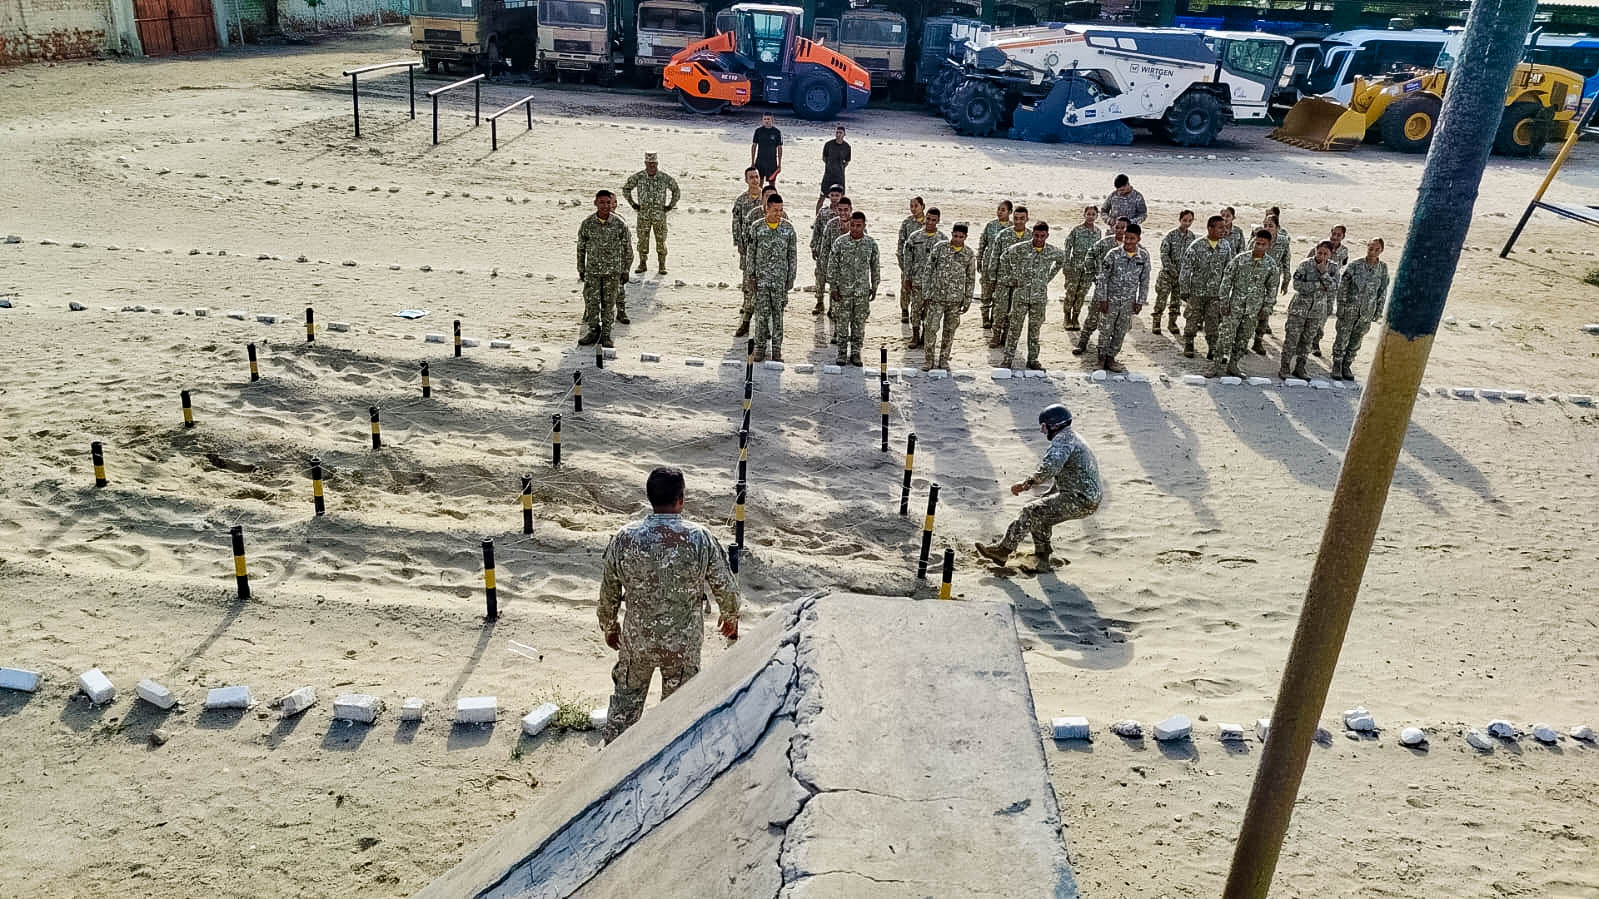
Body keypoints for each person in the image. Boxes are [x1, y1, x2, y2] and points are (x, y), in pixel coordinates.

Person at [598, 467, 740, 743]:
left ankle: (609, 764)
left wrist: (609, 625)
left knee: (624, 709)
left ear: (649, 498)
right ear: (681, 499)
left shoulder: (625, 537)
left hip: (637, 643)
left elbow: (609, 589)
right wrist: (730, 616)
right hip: (682, 646)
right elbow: (725, 585)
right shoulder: (700, 538)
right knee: (679, 715)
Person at [976, 403, 1102, 574]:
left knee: (1030, 511)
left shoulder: (1062, 441)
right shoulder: (1072, 436)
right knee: (1040, 512)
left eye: (1043, 426)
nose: (1042, 431)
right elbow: (1069, 472)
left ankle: (1002, 551)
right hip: (1086, 497)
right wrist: (1049, 494)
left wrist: (1027, 483)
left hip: (1080, 499)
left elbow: (1050, 467)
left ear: (1053, 425)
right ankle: (1043, 555)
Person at [1210, 229, 1282, 378]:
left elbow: (1272, 287)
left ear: (1269, 245)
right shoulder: (1240, 259)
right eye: (1257, 243)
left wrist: (1267, 306)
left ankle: (1233, 365)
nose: (1259, 246)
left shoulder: (1271, 265)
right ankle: (1215, 366)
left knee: (1243, 339)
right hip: (1234, 306)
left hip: (1253, 310)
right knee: (1225, 336)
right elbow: (1227, 280)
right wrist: (1224, 301)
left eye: (1263, 244)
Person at [998, 221, 1065, 371]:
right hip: (1020, 296)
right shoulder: (1021, 248)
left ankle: (1033, 360)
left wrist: (1048, 278)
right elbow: (1004, 258)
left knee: (1035, 331)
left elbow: (1062, 259)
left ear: (1047, 235)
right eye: (1036, 235)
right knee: (1014, 329)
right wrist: (1012, 277)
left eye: (1042, 236)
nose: (1039, 239)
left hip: (1039, 298)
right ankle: (1008, 359)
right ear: (1032, 234)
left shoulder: (1051, 251)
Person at [744, 192, 798, 363]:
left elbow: (792, 255)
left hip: (779, 280)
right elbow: (750, 253)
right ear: (766, 208)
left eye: (781, 210)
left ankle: (776, 349)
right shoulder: (757, 227)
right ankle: (760, 348)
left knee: (778, 316)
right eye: (775, 210)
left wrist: (791, 278)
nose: (778, 213)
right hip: (761, 280)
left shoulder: (788, 229)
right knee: (761, 315)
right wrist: (750, 276)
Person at [576, 189, 632, 348]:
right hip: (592, 272)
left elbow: (627, 249)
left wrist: (625, 269)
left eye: (608, 202)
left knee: (608, 305)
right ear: (595, 203)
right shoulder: (587, 224)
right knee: (592, 303)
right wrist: (581, 268)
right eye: (602, 202)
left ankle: (606, 335)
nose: (605, 206)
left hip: (612, 273)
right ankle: (593, 331)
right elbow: (581, 248)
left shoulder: (619, 224)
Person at [1093, 222, 1150, 374]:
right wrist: (1102, 299)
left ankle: (1111, 358)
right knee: (1105, 329)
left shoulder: (1143, 256)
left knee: (1121, 331)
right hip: (1110, 301)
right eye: (1126, 238)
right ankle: (1101, 358)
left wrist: (1140, 301)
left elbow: (1144, 280)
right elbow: (1102, 278)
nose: (1128, 241)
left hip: (1128, 302)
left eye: (1132, 238)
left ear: (1138, 239)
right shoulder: (1113, 254)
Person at [920, 223, 977, 371]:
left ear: (965, 237)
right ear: (952, 234)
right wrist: (926, 292)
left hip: (955, 300)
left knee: (949, 331)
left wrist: (968, 299)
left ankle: (944, 359)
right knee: (931, 329)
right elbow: (928, 270)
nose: (957, 239)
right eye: (955, 236)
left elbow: (971, 278)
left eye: (961, 237)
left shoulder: (969, 254)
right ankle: (928, 360)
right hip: (936, 298)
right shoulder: (940, 248)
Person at [1330, 238, 1389, 381]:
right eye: (1371, 248)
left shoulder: (1382, 268)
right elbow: (1343, 287)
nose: (1373, 252)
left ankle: (1347, 364)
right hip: (1350, 309)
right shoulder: (1355, 265)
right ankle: (1337, 364)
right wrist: (1341, 306)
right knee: (1342, 337)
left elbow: (1382, 291)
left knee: (1356, 340)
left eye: (1377, 249)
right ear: (1367, 247)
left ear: (1381, 251)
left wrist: (1378, 311)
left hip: (1367, 312)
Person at [1279, 240, 1339, 381]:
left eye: (1325, 254)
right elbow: (1297, 285)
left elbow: (1333, 287)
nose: (1322, 256)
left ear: (1331, 254)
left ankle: (1300, 367)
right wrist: (1318, 284)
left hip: (1317, 311)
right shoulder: (1305, 264)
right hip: (1299, 309)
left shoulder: (1333, 268)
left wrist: (1324, 274)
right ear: (1315, 251)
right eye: (1319, 253)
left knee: (1307, 340)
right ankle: (1285, 366)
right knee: (1292, 339)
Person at [827, 210, 880, 366]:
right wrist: (833, 287)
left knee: (859, 324)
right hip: (843, 291)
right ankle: (842, 353)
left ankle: (856, 353)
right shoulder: (840, 242)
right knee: (842, 323)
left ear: (864, 225)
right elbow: (832, 266)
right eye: (853, 225)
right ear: (849, 224)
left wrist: (875, 285)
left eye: (859, 225)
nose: (855, 229)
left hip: (862, 292)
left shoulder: (871, 244)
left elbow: (875, 266)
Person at [1180, 215, 1235, 360]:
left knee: (1213, 321)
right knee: (1192, 318)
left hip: (1215, 293)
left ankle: (1212, 347)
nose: (1224, 230)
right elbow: (1186, 269)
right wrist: (1184, 290)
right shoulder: (1196, 245)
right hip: (1197, 291)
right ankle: (1189, 343)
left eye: (1224, 227)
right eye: (1220, 227)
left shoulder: (1225, 246)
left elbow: (1228, 270)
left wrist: (1226, 291)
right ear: (1210, 228)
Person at [1071, 216, 1127, 356]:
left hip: (1120, 292)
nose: (1119, 230)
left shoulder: (1132, 247)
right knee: (1092, 316)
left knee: (1113, 322)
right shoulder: (1106, 242)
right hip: (1103, 287)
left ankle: (1106, 351)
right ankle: (1082, 342)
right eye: (1117, 227)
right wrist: (1093, 274)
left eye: (1123, 227)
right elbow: (1090, 254)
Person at [736, 184, 784, 337]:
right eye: (767, 196)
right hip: (756, 265)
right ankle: (745, 323)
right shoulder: (753, 216)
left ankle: (766, 329)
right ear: (763, 199)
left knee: (770, 300)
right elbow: (746, 241)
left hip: (774, 268)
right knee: (750, 295)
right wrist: (749, 267)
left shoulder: (783, 217)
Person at [985, 205, 1031, 346]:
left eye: (1022, 219)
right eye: (1016, 218)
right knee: (1000, 309)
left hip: (1020, 282)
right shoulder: (1003, 235)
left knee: (1015, 311)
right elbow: (994, 257)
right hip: (1003, 280)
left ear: (1027, 219)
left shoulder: (1030, 236)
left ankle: (1006, 336)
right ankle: (996, 335)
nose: (1018, 221)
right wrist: (992, 277)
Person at [902, 208, 947, 349]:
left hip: (933, 284)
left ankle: (924, 336)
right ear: (925, 218)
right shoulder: (914, 237)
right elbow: (908, 259)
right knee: (915, 309)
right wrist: (907, 277)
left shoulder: (943, 240)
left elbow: (945, 263)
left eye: (934, 220)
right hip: (917, 281)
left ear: (938, 221)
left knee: (929, 312)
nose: (930, 222)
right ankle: (915, 335)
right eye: (928, 219)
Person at [731, 168, 765, 337]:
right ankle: (746, 314)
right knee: (747, 283)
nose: (755, 180)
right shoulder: (741, 201)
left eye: (757, 177)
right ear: (746, 180)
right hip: (748, 250)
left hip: (765, 253)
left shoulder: (766, 199)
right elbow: (736, 224)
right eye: (751, 177)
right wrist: (739, 244)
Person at [1308, 225, 1351, 357]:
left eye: (1339, 235)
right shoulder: (1320, 246)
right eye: (1334, 234)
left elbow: (1342, 266)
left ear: (1343, 237)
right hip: (1315, 287)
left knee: (1323, 316)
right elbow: (1308, 262)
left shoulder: (1344, 251)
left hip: (1330, 289)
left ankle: (1315, 342)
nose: (1335, 237)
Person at [1152, 210, 1194, 335]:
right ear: (1180, 220)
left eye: (1190, 220)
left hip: (1182, 276)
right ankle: (1156, 322)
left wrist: (1186, 273)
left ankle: (1172, 322)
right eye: (1185, 220)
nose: (1187, 223)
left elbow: (1192, 256)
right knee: (1162, 299)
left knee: (1176, 301)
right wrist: (1172, 270)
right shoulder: (1171, 235)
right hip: (1167, 274)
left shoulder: (1191, 237)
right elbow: (1164, 254)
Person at [1059, 206, 1101, 332]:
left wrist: (1097, 271)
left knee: (1082, 293)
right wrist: (1066, 264)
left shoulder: (1098, 232)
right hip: (1075, 265)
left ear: (1096, 216)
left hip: (1089, 268)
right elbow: (1067, 247)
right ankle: (1067, 316)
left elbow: (1098, 252)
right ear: (1084, 215)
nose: (1090, 216)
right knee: (1071, 292)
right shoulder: (1076, 230)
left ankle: (1076, 317)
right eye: (1088, 214)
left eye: (1093, 214)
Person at [816, 196, 852, 334]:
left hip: (851, 273)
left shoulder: (856, 224)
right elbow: (825, 248)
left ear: (851, 210)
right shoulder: (831, 225)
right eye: (840, 210)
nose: (843, 213)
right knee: (835, 303)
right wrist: (825, 269)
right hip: (835, 272)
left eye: (846, 210)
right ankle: (837, 332)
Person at [977, 200, 1014, 329]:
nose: (999, 212)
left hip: (1004, 268)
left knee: (1000, 296)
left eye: (1003, 210)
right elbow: (983, 243)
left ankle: (995, 318)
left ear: (1010, 212)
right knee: (986, 292)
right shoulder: (990, 225)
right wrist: (979, 259)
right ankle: (985, 318)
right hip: (989, 264)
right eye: (998, 209)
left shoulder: (1013, 228)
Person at [809, 185, 844, 312]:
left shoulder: (843, 213)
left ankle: (833, 306)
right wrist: (813, 246)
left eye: (837, 195)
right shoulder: (823, 212)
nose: (834, 198)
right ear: (829, 196)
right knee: (820, 276)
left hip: (839, 253)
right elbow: (816, 230)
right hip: (823, 250)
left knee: (836, 279)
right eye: (832, 195)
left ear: (841, 196)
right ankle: (819, 302)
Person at [896, 197, 927, 323]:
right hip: (909, 261)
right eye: (911, 206)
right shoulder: (907, 223)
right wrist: (901, 260)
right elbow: (901, 242)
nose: (913, 209)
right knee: (905, 286)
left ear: (922, 206)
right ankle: (904, 309)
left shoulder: (928, 222)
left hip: (923, 263)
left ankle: (918, 311)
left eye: (916, 206)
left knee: (921, 288)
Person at [819, 125, 851, 210]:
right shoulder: (828, 145)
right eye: (837, 132)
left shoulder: (847, 147)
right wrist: (830, 165)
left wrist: (840, 167)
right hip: (828, 176)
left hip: (840, 177)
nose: (838, 134)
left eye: (840, 133)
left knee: (839, 200)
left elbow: (847, 161)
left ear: (844, 134)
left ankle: (838, 217)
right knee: (822, 197)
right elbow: (824, 157)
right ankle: (817, 219)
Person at [750, 113, 782, 184]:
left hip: (772, 162)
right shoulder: (758, 131)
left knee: (772, 184)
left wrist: (779, 164)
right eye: (765, 119)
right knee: (759, 183)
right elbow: (754, 146)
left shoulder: (777, 132)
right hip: (760, 161)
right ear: (762, 120)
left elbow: (779, 148)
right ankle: (760, 195)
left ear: (772, 120)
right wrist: (752, 162)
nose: (766, 121)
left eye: (768, 119)